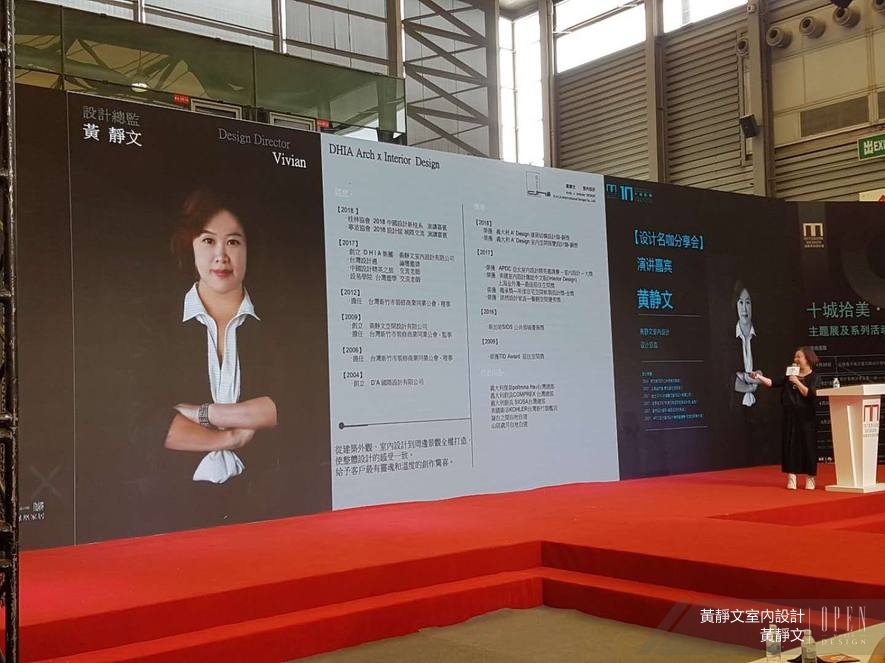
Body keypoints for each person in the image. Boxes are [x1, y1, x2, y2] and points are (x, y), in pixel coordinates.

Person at [165, 190, 278, 484]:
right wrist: (230, 438)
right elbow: (147, 424)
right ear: (189, 246)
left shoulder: (277, 323)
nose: (221, 256)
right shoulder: (158, 323)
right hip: (172, 490)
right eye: (208, 241)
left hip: (267, 488)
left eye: (233, 242)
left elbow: (289, 406)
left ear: (248, 249)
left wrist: (202, 414)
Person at [751, 347, 821, 490]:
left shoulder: (814, 377)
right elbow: (772, 383)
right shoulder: (790, 374)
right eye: (795, 357)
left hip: (807, 417)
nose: (796, 360)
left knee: (808, 446)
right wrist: (758, 377)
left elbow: (810, 394)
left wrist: (797, 382)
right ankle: (791, 477)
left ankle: (810, 478)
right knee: (790, 445)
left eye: (799, 357)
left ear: (808, 359)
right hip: (790, 416)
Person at [733, 283, 759, 407]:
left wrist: (743, 377)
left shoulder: (763, 338)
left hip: (762, 406)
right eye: (740, 302)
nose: (744, 309)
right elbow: (727, 379)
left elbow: (766, 374)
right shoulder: (726, 340)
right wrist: (750, 386)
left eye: (748, 302)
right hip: (734, 407)